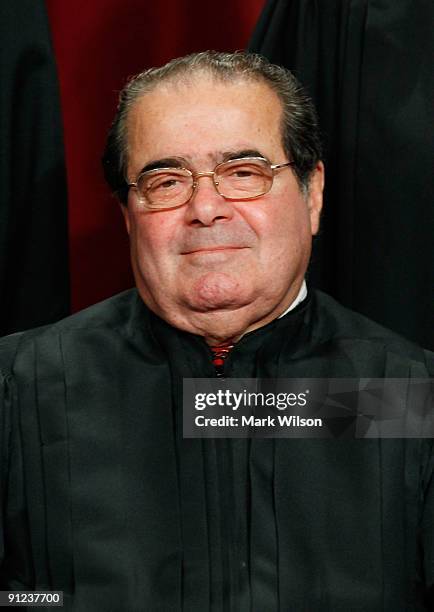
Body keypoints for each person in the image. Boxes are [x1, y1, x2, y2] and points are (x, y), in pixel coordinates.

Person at [0, 51, 432, 611]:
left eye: (244, 173)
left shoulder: (410, 397)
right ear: (129, 216)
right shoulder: (18, 388)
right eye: (165, 180)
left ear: (313, 192)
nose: (206, 207)